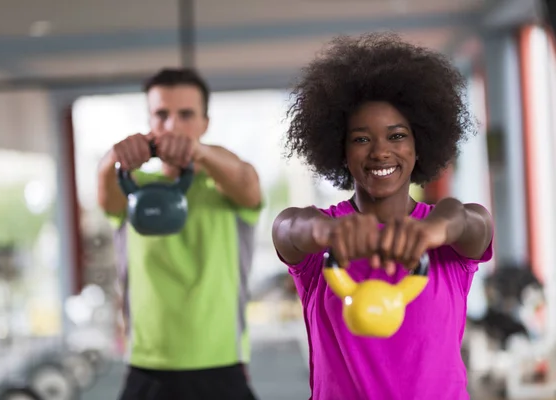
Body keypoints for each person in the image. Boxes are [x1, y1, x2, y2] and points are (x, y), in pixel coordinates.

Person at [272, 33, 494, 400]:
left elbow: (472, 220)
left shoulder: (446, 240)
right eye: (361, 139)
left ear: (418, 144)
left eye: (397, 136)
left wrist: (435, 230)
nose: (380, 152)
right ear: (340, 150)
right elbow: (288, 227)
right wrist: (329, 231)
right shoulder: (319, 243)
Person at [97, 68, 262, 400]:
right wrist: (116, 155)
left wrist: (196, 152)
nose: (172, 125)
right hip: (147, 369)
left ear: (205, 123)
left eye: (185, 114)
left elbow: (246, 179)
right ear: (149, 121)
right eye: (161, 114)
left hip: (221, 367)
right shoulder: (134, 190)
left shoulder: (225, 189)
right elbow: (103, 189)